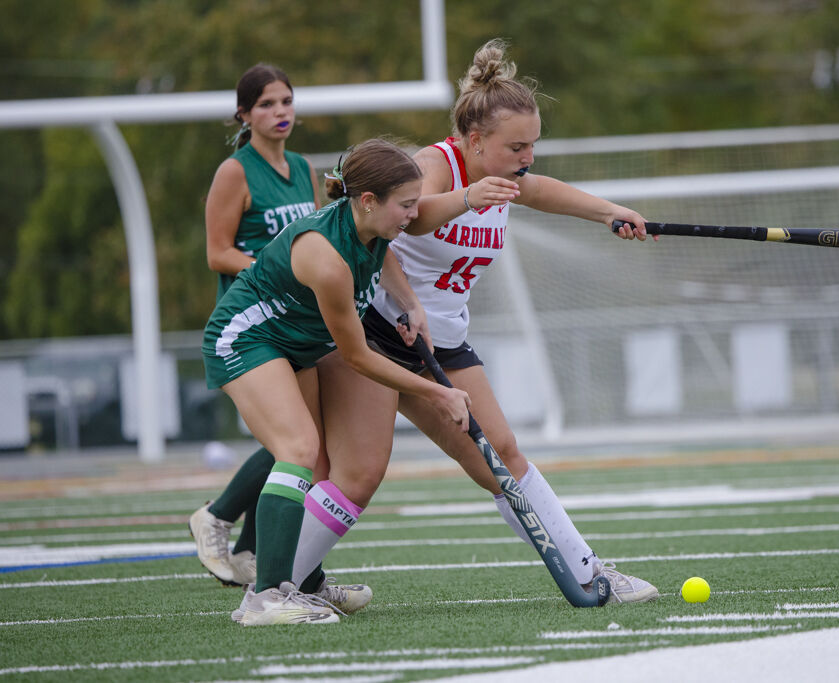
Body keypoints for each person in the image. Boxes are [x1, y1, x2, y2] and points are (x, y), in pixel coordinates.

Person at [303, 39, 659, 605]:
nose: (528, 157)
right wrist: (469, 195)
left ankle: (590, 572)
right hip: (375, 330)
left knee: (505, 454)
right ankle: (281, 584)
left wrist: (611, 212)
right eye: (516, 145)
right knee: (359, 475)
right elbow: (408, 222)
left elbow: (542, 191)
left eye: (533, 144)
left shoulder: (506, 178)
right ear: (474, 141)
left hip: (443, 342)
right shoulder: (430, 165)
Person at [201, 137, 471, 625]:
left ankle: (304, 584)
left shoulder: (373, 227)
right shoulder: (325, 258)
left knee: (318, 458)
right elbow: (357, 357)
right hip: (246, 340)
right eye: (406, 205)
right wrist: (437, 391)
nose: (413, 216)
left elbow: (384, 253)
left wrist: (410, 303)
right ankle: (264, 599)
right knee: (299, 449)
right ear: (368, 201)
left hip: (295, 344)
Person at [189, 64, 321, 590]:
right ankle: (217, 516)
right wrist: (279, 268)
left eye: (286, 100)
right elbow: (217, 252)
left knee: (307, 441)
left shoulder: (304, 167)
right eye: (266, 104)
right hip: (253, 323)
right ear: (244, 114)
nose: (280, 111)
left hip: (298, 322)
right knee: (295, 442)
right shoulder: (234, 171)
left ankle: (247, 549)